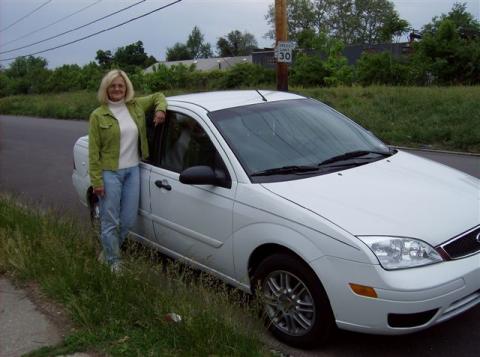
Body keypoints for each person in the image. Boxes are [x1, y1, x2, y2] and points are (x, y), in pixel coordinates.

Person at [88, 69, 166, 271]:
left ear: (126, 88)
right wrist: (96, 181)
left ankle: (106, 253)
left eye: (120, 85)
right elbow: (93, 152)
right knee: (110, 219)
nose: (117, 89)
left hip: (133, 170)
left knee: (129, 219)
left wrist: (161, 110)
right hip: (109, 173)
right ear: (106, 88)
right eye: (113, 85)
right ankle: (114, 261)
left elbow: (159, 96)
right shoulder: (98, 115)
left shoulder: (135, 106)